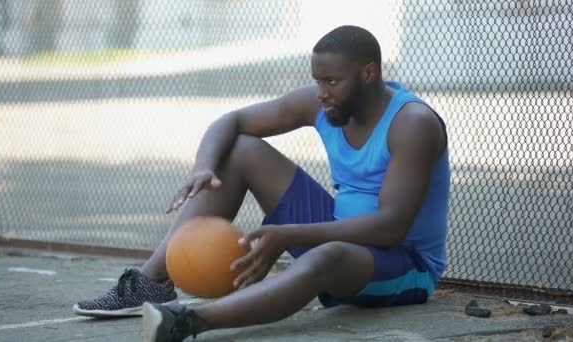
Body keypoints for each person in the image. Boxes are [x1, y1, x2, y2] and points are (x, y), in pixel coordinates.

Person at [74, 25, 451, 341]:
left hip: (403, 264)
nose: (322, 92)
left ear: (369, 73)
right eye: (317, 80)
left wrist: (288, 235)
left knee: (328, 255)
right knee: (240, 150)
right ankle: (150, 282)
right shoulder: (324, 102)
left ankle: (190, 322)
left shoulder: (412, 123)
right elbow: (232, 121)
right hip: (342, 236)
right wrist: (204, 168)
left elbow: (390, 228)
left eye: (332, 81)